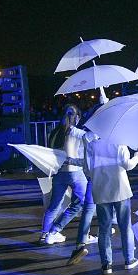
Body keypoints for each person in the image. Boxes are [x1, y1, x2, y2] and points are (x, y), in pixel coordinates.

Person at [41, 105, 97, 254]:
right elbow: (92, 137)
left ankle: (46, 234)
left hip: (59, 174)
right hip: (75, 173)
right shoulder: (75, 132)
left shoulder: (54, 132)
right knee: (83, 205)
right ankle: (60, 230)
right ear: (77, 117)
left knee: (54, 205)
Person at [83, 139, 138, 273]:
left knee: (104, 228)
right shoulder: (119, 143)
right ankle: (129, 260)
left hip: (100, 190)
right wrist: (137, 157)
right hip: (120, 189)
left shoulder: (91, 145)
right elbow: (127, 165)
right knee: (125, 227)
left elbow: (86, 170)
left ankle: (106, 264)